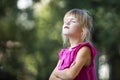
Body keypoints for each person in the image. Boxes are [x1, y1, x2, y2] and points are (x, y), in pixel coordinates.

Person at [49, 8, 98, 80]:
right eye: (65, 21)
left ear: (83, 29)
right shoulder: (64, 53)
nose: (67, 23)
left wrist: (57, 72)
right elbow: (51, 78)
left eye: (73, 21)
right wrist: (63, 73)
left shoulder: (84, 49)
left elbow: (70, 75)